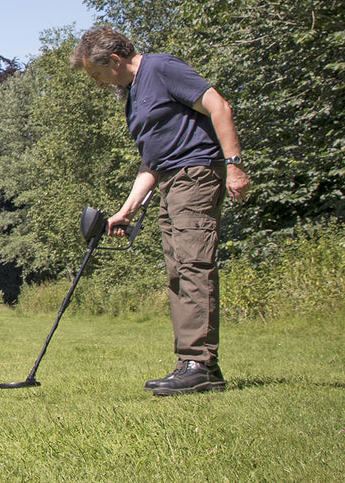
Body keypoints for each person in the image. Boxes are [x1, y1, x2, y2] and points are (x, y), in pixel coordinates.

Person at [70, 26, 250, 396]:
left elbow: (219, 105)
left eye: (97, 74)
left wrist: (234, 165)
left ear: (115, 61)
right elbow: (151, 162)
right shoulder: (134, 97)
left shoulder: (162, 69)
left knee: (193, 265)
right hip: (170, 180)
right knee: (177, 270)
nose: (98, 83)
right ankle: (192, 364)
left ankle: (200, 364)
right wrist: (126, 211)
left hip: (196, 174)